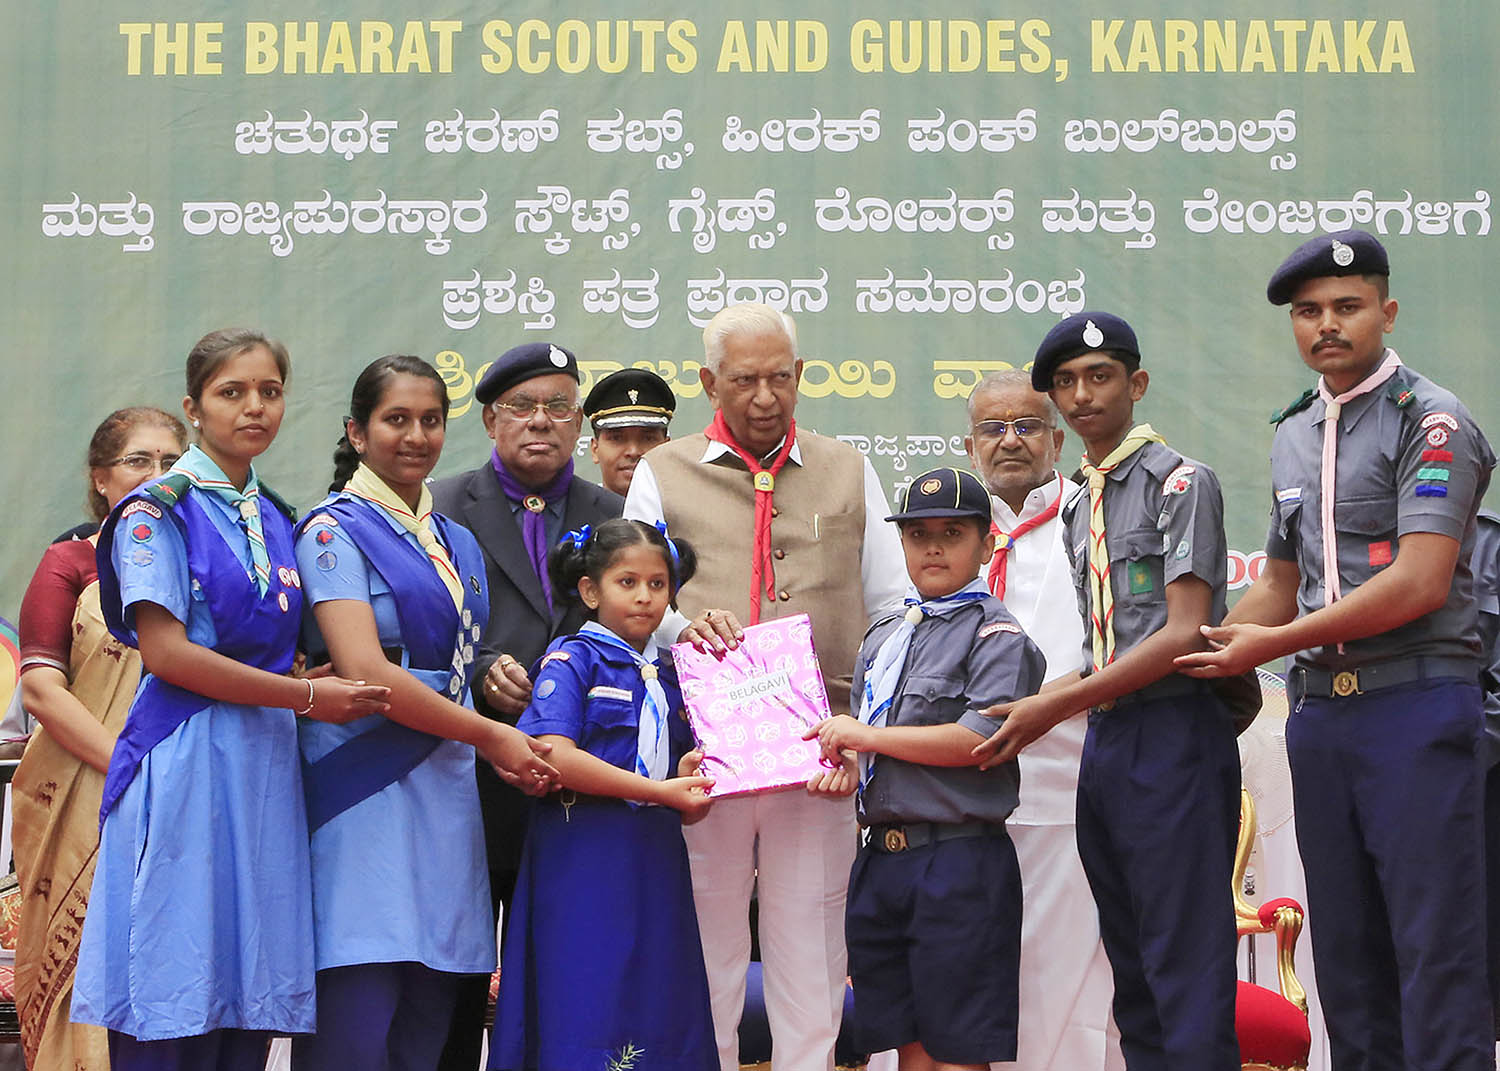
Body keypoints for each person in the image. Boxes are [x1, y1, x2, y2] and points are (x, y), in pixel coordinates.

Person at [1177, 229, 1497, 1070]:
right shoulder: (1292, 433)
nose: (1327, 325)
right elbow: (1280, 585)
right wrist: (1191, 649)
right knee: (1347, 962)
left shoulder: (1432, 422)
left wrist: (1275, 641)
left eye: (1348, 308)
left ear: (1386, 313)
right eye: (1310, 312)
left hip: (1416, 706)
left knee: (1435, 952)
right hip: (1324, 720)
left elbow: (1421, 580)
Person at [70, 328, 390, 1071]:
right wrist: (309, 694)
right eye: (231, 392)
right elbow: (169, 654)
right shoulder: (158, 511)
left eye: (269, 392)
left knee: (247, 979)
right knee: (174, 969)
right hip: (186, 758)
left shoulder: (279, 516)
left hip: (264, 762)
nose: (254, 407)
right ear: (195, 406)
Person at [624, 302, 906, 1071]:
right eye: (743, 380)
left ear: (801, 376)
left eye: (780, 378)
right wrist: (688, 629)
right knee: (704, 951)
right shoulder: (661, 472)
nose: (763, 397)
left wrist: (865, 741)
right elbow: (630, 607)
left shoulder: (848, 468)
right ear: (710, 381)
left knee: (812, 954)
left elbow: (892, 611)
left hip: (821, 757)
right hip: (705, 761)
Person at [973, 312, 1241, 1070]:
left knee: (1185, 965)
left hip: (1176, 731)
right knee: (1133, 972)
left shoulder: (1182, 482)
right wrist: (1056, 699)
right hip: (1111, 741)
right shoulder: (1079, 501)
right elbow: (1105, 646)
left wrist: (1052, 703)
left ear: (1137, 383)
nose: (1082, 395)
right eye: (1066, 382)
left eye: (1099, 377)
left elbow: (1186, 632)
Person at [291, 355, 560, 1071]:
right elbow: (365, 670)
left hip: (445, 789)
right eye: (396, 419)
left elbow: (458, 669)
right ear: (357, 429)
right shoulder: (331, 532)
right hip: (360, 786)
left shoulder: (458, 541)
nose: (416, 435)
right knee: (358, 1002)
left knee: (430, 1012)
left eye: (431, 420)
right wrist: (493, 735)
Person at [807, 467, 1043, 1071]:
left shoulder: (997, 636)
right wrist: (849, 761)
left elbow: (979, 741)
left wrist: (866, 736)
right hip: (883, 859)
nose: (932, 547)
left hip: (957, 860)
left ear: (986, 544)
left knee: (958, 1046)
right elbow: (876, 746)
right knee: (907, 1040)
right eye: (917, 534)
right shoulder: (885, 633)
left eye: (952, 532)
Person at [430, 341, 622, 1068]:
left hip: (580, 780)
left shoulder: (616, 513)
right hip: (473, 779)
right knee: (456, 975)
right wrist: (479, 670)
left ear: (579, 424)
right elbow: (418, 629)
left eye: (558, 407)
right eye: (521, 406)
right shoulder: (444, 505)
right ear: (490, 419)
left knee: (567, 976)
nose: (540, 421)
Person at [490, 518, 717, 1070]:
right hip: (582, 853)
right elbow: (552, 754)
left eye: (658, 584)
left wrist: (686, 777)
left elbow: (674, 775)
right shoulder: (572, 659)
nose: (644, 597)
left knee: (656, 986)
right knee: (585, 987)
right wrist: (659, 790)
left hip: (654, 855)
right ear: (590, 590)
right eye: (627, 582)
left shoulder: (671, 675)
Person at [11, 406, 187, 1071]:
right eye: (139, 461)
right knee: (80, 981)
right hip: (92, 793)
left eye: (173, 462)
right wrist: (130, 767)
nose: (157, 475)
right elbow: (42, 690)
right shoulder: (74, 562)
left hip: (191, 791)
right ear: (101, 478)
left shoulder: (207, 563)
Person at [963, 371, 1122, 1071]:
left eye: (1026, 425)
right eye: (993, 428)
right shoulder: (942, 534)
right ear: (969, 444)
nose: (1010, 441)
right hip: (962, 801)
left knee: (1067, 988)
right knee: (967, 981)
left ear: (1057, 438)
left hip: (1069, 794)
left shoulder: (1097, 518)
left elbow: (1120, 649)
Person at [582, 367, 675, 496]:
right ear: (595, 449)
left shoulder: (687, 514)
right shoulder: (574, 514)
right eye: (617, 438)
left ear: (666, 447)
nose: (633, 451)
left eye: (648, 438)